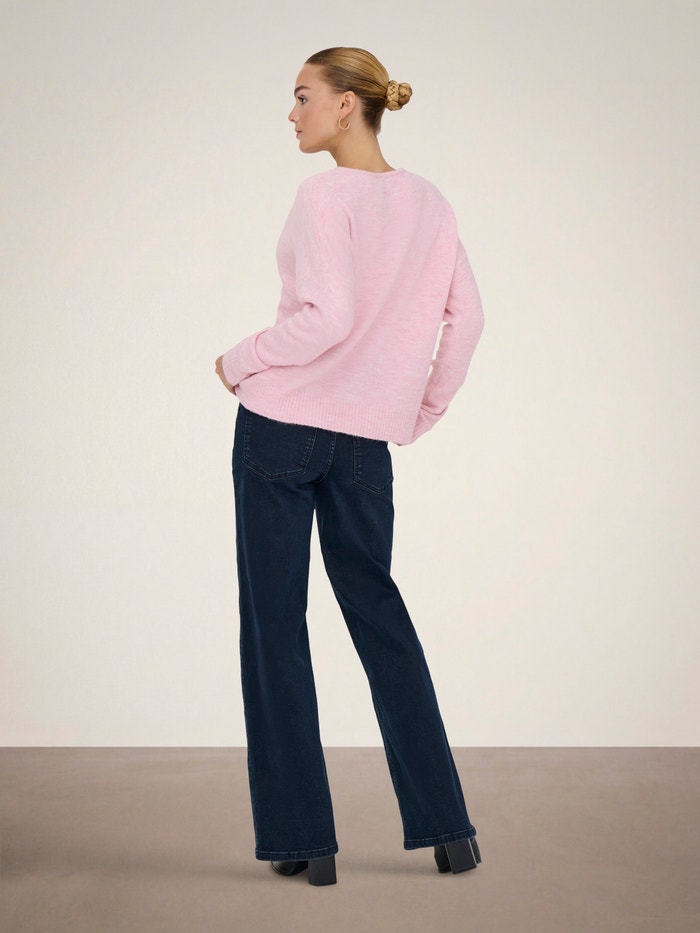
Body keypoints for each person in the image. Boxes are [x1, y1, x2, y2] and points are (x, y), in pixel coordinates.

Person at [215, 47, 484, 887]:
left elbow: (326, 316)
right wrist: (416, 412)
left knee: (275, 625)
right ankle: (449, 831)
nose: (292, 114)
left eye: (303, 96)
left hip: (281, 428)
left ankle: (306, 842)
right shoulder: (430, 202)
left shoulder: (323, 194)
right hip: (366, 443)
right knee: (380, 615)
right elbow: (469, 318)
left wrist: (237, 359)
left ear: (345, 106)